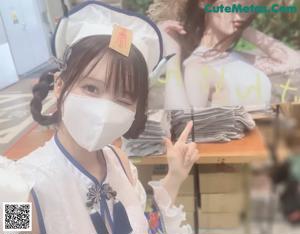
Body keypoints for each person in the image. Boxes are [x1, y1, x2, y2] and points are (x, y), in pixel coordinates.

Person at [0, 2, 199, 234]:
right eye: (91, 88)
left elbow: (144, 226)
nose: (105, 108)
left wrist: (174, 177)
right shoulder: (18, 188)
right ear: (59, 85)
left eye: (123, 98)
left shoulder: (120, 162)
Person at [148, 0, 300, 110]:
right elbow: (184, 128)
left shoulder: (239, 58)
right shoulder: (196, 66)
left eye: (244, 8)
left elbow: (293, 61)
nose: (238, 13)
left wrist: (242, 26)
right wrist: (172, 54)